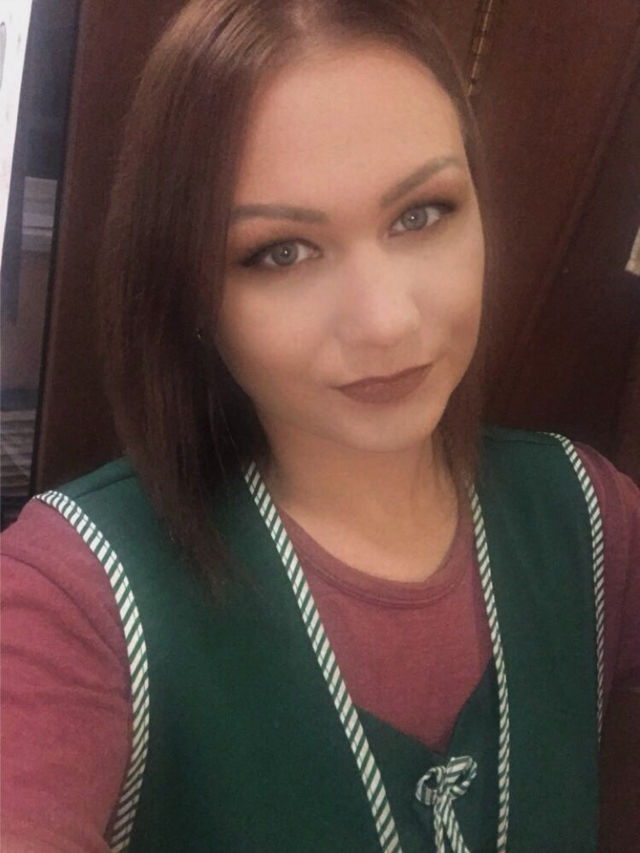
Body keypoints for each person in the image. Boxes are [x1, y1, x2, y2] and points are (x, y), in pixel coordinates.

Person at [2, 0, 639, 851]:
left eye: (422, 213)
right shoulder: (73, 592)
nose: (385, 321)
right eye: (281, 252)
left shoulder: (585, 515)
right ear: (190, 290)